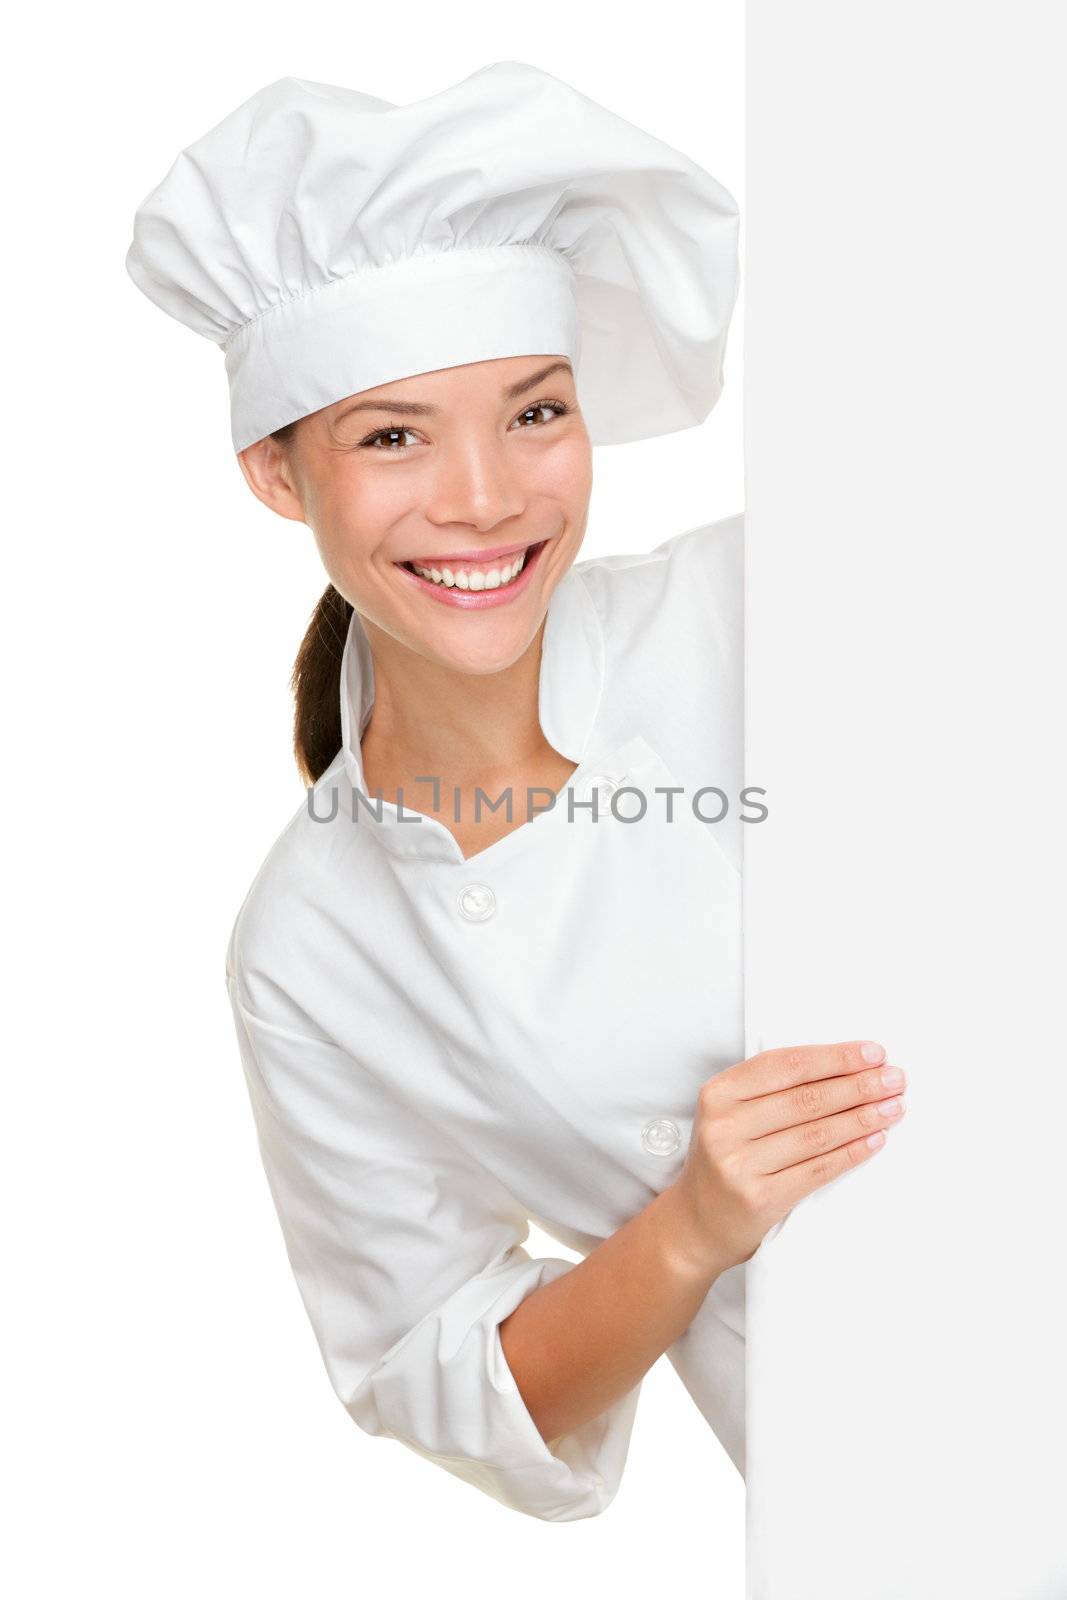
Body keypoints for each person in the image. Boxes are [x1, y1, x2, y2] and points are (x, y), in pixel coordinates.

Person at [125, 62, 908, 1523]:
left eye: (535, 413)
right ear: (277, 475)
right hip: (900, 1494)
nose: (485, 497)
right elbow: (447, 1376)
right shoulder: (315, 947)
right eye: (393, 435)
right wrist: (696, 1225)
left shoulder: (783, 590)